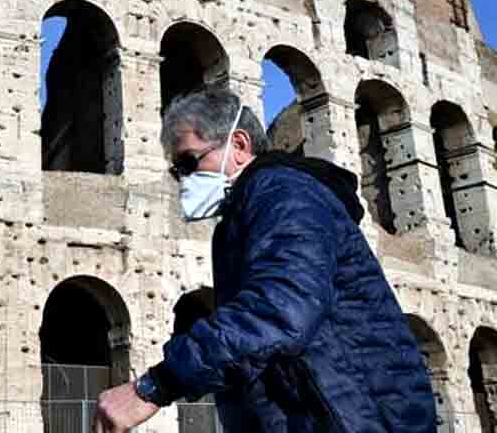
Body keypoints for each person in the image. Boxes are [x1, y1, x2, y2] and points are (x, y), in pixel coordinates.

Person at [93, 87, 436, 432]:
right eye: (176, 172)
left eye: (188, 162)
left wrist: (153, 387)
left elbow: (280, 309)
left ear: (239, 145)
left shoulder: (286, 194)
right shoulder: (248, 212)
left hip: (354, 418)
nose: (183, 180)